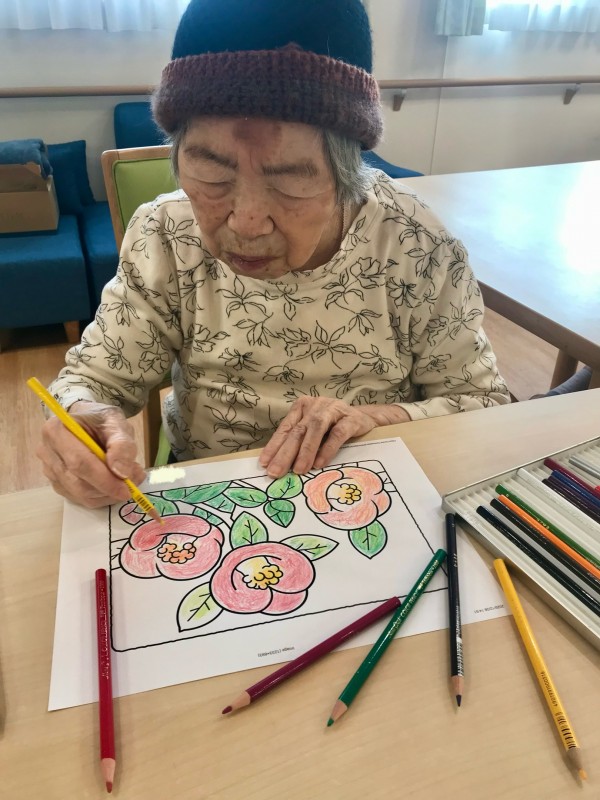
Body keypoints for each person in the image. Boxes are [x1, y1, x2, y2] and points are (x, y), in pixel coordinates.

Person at [36, 0, 510, 510]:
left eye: (289, 179)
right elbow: (94, 380)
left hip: (370, 489)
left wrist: (376, 419)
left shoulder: (415, 243)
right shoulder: (167, 234)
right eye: (212, 172)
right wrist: (79, 419)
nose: (246, 222)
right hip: (206, 492)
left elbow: (482, 403)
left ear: (347, 174)